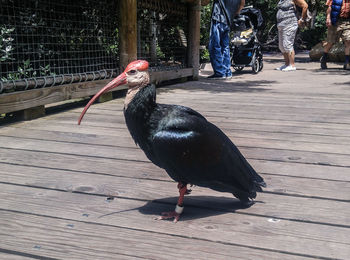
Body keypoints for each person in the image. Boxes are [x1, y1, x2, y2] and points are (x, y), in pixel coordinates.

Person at [205, 0, 245, 79]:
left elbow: (205, 2)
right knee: (225, 47)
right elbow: (242, 4)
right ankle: (227, 72)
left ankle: (219, 72)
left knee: (214, 46)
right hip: (228, 20)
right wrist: (234, 13)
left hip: (218, 17)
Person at [275, 0, 309, 72]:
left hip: (290, 24)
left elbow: (305, 5)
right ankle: (287, 64)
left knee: (288, 44)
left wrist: (302, 19)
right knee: (281, 46)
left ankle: (292, 65)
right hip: (281, 24)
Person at [320, 0, 350, 70]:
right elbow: (329, 8)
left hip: (347, 22)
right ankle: (324, 58)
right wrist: (328, 18)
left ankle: (347, 63)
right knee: (330, 42)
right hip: (335, 21)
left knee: (348, 41)